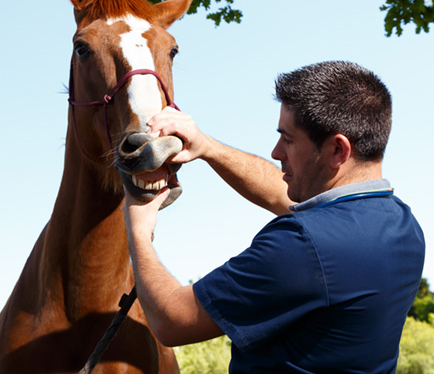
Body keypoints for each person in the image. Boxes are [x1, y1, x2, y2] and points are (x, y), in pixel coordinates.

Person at [123, 60, 425, 373]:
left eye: (288, 139)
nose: (276, 152)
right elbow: (278, 192)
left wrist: (138, 228)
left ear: (338, 151)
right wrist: (206, 147)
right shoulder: (403, 225)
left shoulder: (302, 246)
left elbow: (173, 321)